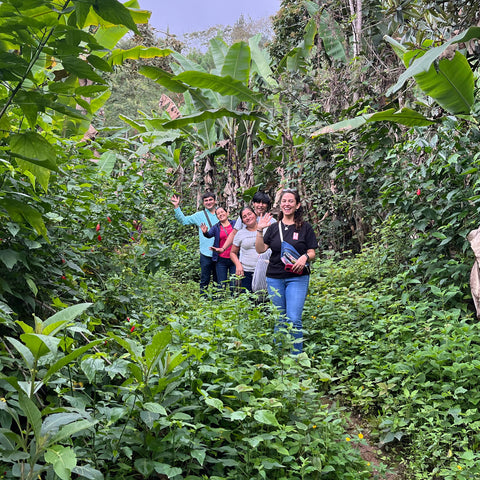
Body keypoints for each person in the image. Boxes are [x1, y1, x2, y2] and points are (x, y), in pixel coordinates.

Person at [255, 189, 318, 354]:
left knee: (294, 319)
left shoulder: (305, 228)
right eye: (284, 201)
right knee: (279, 319)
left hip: (297, 278)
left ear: (297, 205)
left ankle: (296, 358)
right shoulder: (274, 228)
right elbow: (260, 249)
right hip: (274, 277)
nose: (287, 204)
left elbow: (312, 252)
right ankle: (278, 358)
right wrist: (260, 230)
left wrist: (305, 257)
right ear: (280, 205)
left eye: (291, 201)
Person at [170, 191, 218, 294]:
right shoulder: (199, 215)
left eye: (210, 200)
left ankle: (218, 301)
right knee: (205, 279)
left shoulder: (221, 213)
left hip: (220, 251)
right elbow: (184, 221)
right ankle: (203, 300)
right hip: (206, 252)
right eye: (206, 201)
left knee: (218, 279)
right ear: (203, 203)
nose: (208, 202)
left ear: (215, 201)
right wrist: (176, 207)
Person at [201, 206, 236, 290]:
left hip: (234, 258)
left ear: (227, 213)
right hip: (221, 259)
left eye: (222, 212)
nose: (221, 214)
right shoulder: (216, 227)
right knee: (221, 284)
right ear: (217, 217)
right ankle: (220, 301)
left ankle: (234, 300)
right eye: (218, 214)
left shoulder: (234, 224)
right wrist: (205, 232)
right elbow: (209, 235)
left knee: (234, 284)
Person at [230, 206, 260, 293]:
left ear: (255, 214)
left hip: (265, 271)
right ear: (242, 221)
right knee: (248, 300)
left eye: (249, 214)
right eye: (244, 216)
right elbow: (232, 253)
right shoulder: (240, 233)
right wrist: (238, 265)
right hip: (247, 271)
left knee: (264, 301)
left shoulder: (266, 229)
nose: (248, 218)